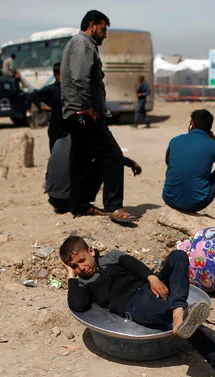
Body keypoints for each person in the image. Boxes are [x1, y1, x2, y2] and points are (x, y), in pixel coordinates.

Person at [61, 236, 215, 377]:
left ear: (91, 251)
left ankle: (178, 311)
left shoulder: (112, 256)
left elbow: (134, 265)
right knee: (179, 321)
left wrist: (152, 278)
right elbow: (77, 304)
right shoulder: (83, 284)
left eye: (82, 260)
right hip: (134, 305)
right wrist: (71, 277)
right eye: (74, 266)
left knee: (178, 256)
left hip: (150, 287)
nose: (80, 268)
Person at [61, 10, 138, 223]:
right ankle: (114, 207)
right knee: (112, 154)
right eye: (103, 30)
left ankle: (80, 205)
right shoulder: (83, 43)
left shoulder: (80, 44)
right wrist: (88, 107)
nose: (105, 35)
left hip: (76, 113)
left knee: (83, 160)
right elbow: (80, 78)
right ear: (92, 25)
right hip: (82, 113)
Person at [162, 109, 215, 225]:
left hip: (169, 198)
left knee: (175, 165)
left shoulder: (175, 140)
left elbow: (168, 162)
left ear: (191, 123)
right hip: (194, 204)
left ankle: (175, 190)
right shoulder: (214, 145)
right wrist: (214, 138)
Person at [46, 135, 142, 214]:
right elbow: (111, 157)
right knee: (103, 163)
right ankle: (84, 207)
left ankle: (71, 204)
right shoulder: (86, 141)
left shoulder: (58, 141)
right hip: (71, 201)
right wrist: (131, 163)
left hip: (54, 199)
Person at [29, 63, 67, 151]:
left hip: (68, 126)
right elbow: (32, 96)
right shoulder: (51, 89)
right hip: (55, 127)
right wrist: (41, 107)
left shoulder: (69, 89)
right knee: (54, 152)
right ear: (56, 75)